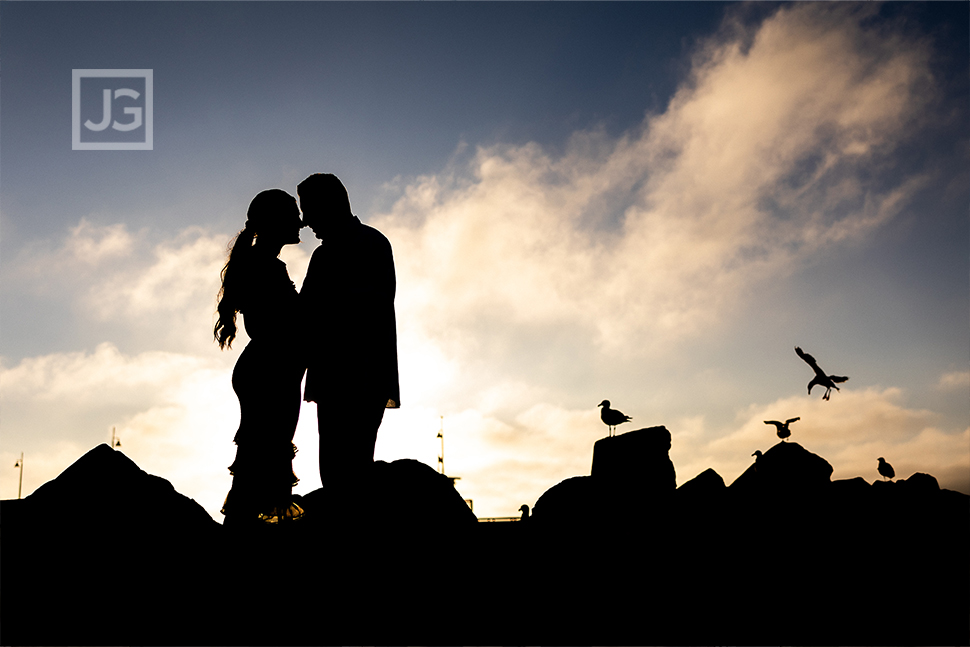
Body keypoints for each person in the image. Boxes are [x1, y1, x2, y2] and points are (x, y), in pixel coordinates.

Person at [297, 173, 400, 489]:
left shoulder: (371, 244)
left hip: (361, 377)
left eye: (309, 209)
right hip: (334, 379)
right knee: (334, 472)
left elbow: (368, 306)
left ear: (329, 205)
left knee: (350, 473)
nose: (305, 221)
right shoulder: (325, 254)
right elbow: (305, 314)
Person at [214, 189, 307, 527]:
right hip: (271, 370)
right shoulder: (263, 266)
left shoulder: (262, 263)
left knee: (262, 455)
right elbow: (274, 325)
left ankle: (243, 534)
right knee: (263, 456)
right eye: (293, 215)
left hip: (270, 368)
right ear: (276, 222)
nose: (301, 221)